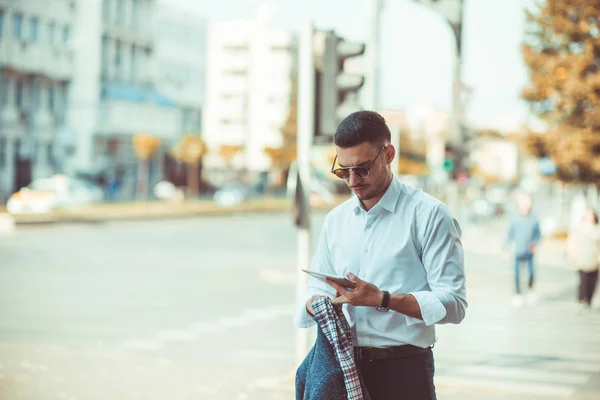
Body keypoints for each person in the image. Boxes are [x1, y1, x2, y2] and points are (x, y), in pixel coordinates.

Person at [294, 111, 467, 400]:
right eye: (343, 170)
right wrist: (319, 303)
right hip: (342, 369)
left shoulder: (429, 215)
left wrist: (382, 300)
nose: (352, 180)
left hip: (405, 373)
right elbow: (315, 290)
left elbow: (454, 304)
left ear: (388, 154)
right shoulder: (336, 220)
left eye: (362, 169)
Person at [504, 193, 541, 307]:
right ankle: (517, 294)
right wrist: (507, 249)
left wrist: (535, 243)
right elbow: (509, 234)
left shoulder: (533, 219)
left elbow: (538, 234)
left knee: (531, 273)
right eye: (524, 204)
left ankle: (530, 290)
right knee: (517, 274)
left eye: (528, 204)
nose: (526, 206)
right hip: (517, 251)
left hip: (529, 251)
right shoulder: (514, 218)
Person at [566, 208, 600, 312]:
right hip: (582, 259)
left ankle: (589, 299)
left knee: (592, 282)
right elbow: (571, 241)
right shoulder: (579, 229)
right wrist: (571, 252)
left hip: (594, 259)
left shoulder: (597, 229)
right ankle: (581, 300)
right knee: (583, 281)